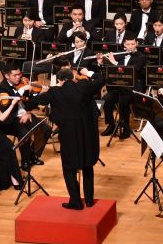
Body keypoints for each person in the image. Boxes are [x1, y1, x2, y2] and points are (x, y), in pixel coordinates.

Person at [24, 67, 106, 209]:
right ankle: (89, 200)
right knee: (87, 166)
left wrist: (41, 92)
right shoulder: (84, 85)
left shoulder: (55, 92)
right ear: (72, 77)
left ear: (60, 80)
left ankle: (75, 201)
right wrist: (87, 73)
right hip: (87, 135)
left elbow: (31, 103)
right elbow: (101, 79)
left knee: (69, 168)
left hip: (69, 136)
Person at [99, 34, 145, 139]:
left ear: (136, 44)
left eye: (133, 44)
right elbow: (109, 71)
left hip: (131, 89)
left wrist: (114, 63)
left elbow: (132, 72)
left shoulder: (140, 57)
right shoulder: (119, 55)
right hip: (118, 87)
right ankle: (111, 125)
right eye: (128, 44)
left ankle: (126, 128)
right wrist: (101, 63)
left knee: (123, 101)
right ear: (124, 44)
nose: (130, 46)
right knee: (106, 100)